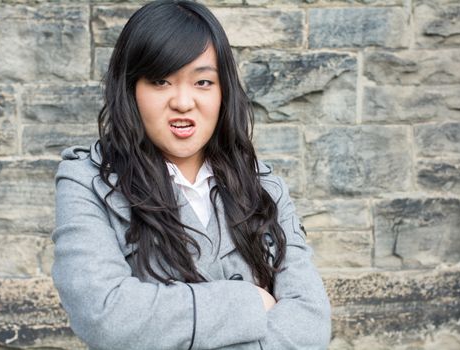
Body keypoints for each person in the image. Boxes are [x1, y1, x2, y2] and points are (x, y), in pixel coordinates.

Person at [51, 1, 331, 349]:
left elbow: (312, 322)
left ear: (222, 91)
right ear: (131, 89)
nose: (183, 102)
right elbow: (106, 316)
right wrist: (248, 301)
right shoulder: (88, 182)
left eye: (202, 81)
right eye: (160, 81)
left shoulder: (264, 187)